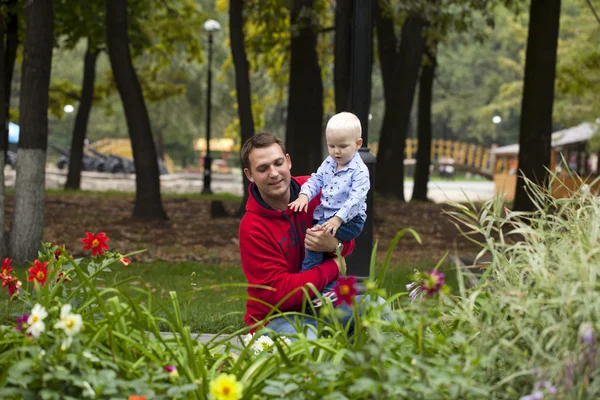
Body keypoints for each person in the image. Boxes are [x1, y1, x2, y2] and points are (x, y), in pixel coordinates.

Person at [239, 132, 368, 338]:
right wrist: (334, 265)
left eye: (278, 163)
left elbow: (348, 241)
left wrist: (335, 245)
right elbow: (280, 293)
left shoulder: (316, 191)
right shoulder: (253, 226)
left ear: (288, 161)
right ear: (250, 175)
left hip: (324, 301)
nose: (274, 173)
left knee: (377, 310)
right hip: (277, 316)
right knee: (309, 340)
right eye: (263, 168)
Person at [288, 112, 369, 303]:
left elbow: (355, 200)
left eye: (342, 146)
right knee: (322, 245)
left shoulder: (360, 171)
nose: (336, 152)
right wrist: (304, 194)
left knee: (316, 238)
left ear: (358, 144)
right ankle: (328, 290)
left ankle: (306, 285)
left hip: (350, 219)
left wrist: (337, 219)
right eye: (331, 146)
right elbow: (316, 179)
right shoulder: (331, 163)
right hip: (329, 215)